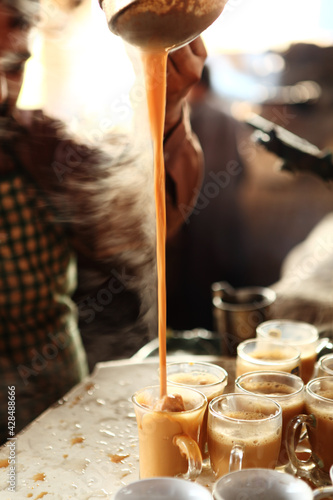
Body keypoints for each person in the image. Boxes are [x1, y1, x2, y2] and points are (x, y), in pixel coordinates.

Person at [0, 0, 206, 443]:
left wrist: (166, 109)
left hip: (50, 417)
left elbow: (143, 227)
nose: (0, 91)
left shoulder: (41, 148)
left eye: (13, 67)